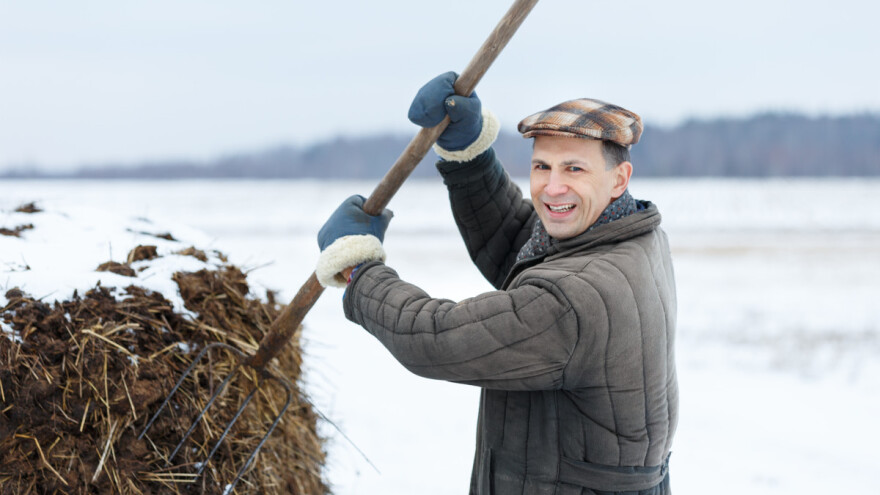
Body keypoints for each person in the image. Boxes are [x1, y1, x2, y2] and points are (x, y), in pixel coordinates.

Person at [315, 71, 678, 494]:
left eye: (574, 168)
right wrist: (468, 155)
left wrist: (360, 271)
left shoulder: (576, 299)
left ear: (619, 178)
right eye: (542, 167)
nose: (553, 187)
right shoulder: (634, 237)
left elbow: (438, 338)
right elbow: (520, 243)